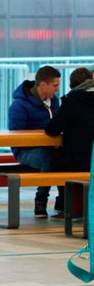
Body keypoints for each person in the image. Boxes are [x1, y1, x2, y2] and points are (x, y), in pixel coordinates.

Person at [7, 65, 62, 217]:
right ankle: (41, 200)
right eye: (55, 85)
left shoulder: (55, 102)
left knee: (66, 157)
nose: (57, 89)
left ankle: (64, 201)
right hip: (26, 151)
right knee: (48, 158)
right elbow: (15, 136)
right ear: (43, 84)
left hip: (51, 148)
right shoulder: (19, 105)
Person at [45, 72, 94, 218]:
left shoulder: (74, 101)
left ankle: (65, 206)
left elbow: (52, 129)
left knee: (55, 160)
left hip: (79, 161)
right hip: (91, 161)